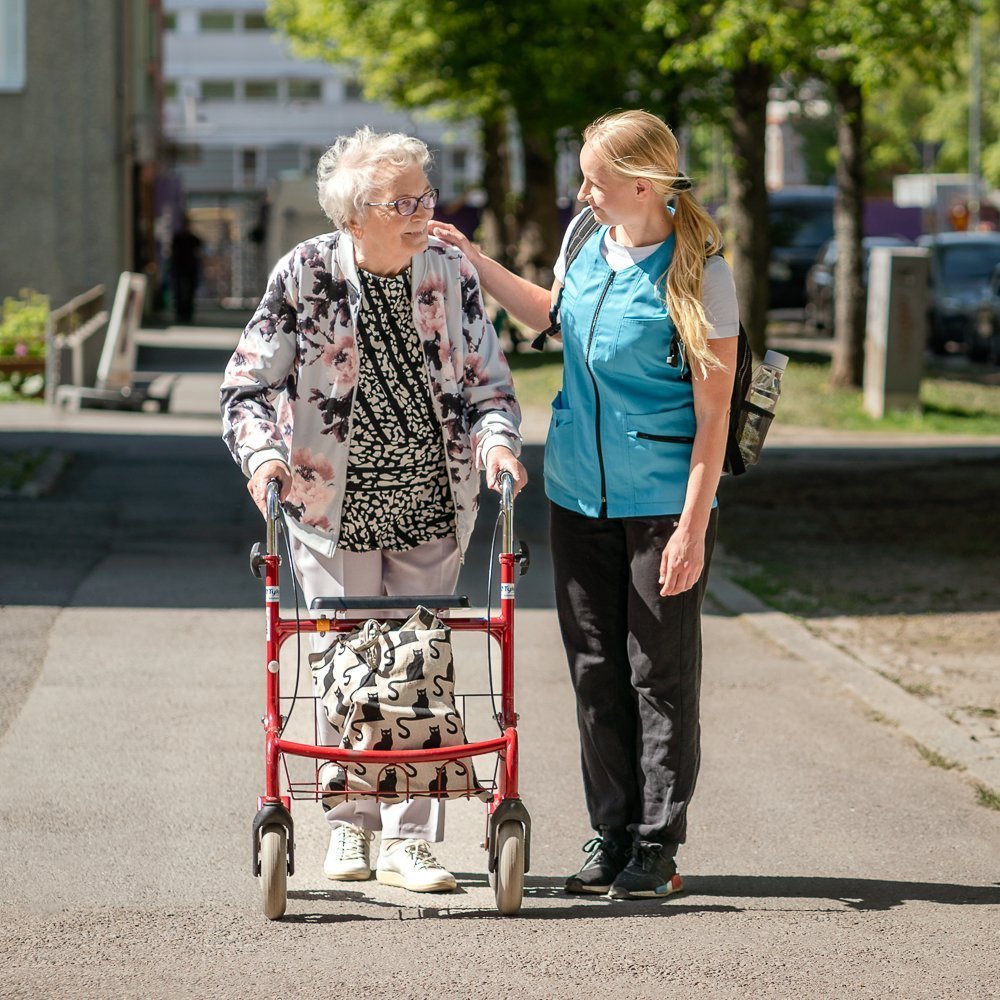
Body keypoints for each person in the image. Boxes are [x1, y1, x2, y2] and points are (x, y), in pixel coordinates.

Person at [430, 109, 738, 900]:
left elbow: (714, 419)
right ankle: (611, 828)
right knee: (595, 669)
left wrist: (692, 531)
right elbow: (551, 317)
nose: (582, 192)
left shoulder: (702, 271)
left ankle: (657, 844)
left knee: (657, 676)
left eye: (593, 181)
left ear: (642, 185)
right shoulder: (584, 243)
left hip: (662, 503)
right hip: (575, 493)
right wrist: (472, 258)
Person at [221, 126, 527, 894]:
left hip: (432, 498)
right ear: (356, 215)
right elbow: (249, 386)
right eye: (405, 200)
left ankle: (411, 842)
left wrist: (497, 443)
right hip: (329, 503)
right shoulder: (307, 273)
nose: (424, 209)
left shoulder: (449, 269)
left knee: (420, 663)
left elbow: (489, 383)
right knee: (345, 660)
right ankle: (349, 823)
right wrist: (264, 457)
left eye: (427, 193)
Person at [170, 213, 203, 324]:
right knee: (180, 290)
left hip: (188, 267)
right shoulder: (179, 238)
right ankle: (181, 312)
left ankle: (186, 313)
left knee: (188, 291)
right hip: (181, 267)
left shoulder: (192, 238)